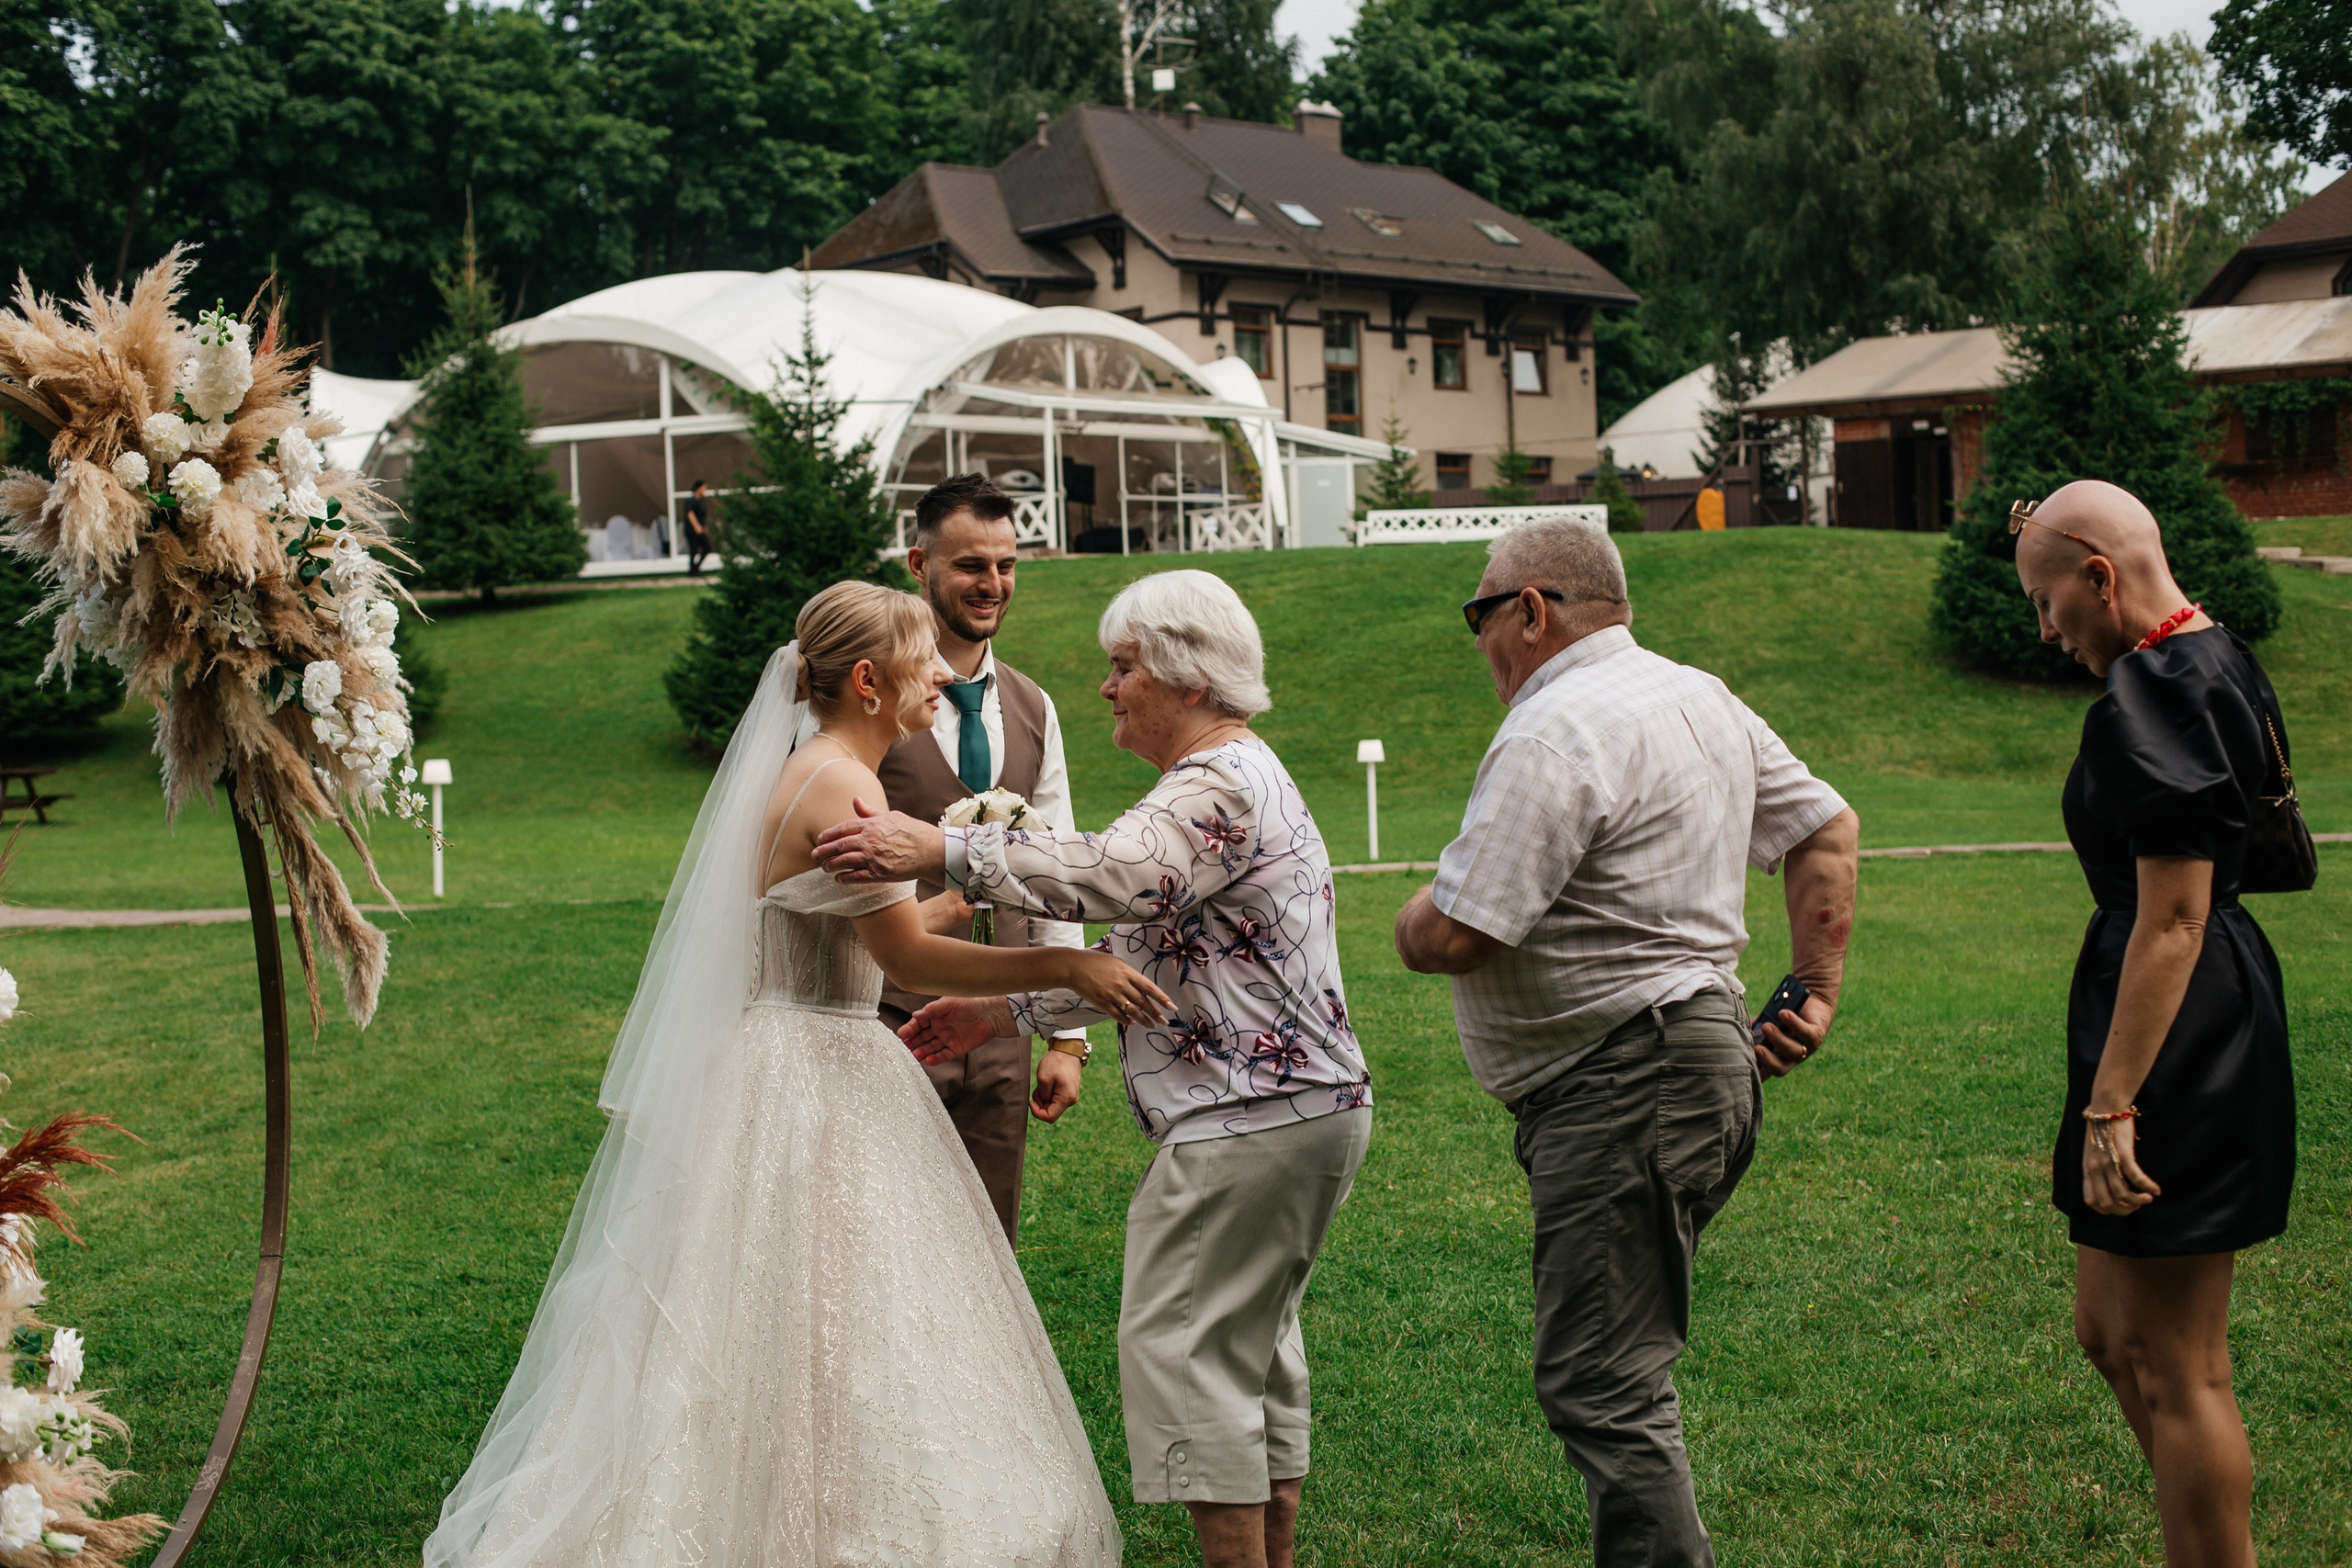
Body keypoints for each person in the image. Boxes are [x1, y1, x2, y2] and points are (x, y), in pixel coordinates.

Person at [423, 581, 1170, 1567]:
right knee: (830, 1305)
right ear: (867, 682)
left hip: (798, 1050)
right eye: (920, 664)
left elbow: (851, 931)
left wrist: (958, 890)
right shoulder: (841, 786)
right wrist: (1064, 965)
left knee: (792, 1310)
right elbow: (906, 963)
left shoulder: (809, 769)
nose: (941, 677)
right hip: (818, 1060)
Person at [815, 570, 1374, 1568]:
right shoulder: (1236, 774)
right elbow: (1158, 967)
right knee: (1254, 1355)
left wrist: (941, 846)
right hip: (1300, 1111)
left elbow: (1117, 876)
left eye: (1122, 670)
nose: (1106, 690)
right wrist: (1004, 1010)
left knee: (1190, 1356)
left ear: (1187, 679)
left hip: (1247, 1119)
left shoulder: (1218, 782)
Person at [1391, 517, 1859, 1568]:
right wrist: (1815, 990)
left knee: (1603, 1379)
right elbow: (1824, 827)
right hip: (1685, 1064)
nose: (1480, 644)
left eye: (1479, 615)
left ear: (1531, 609)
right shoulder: (1696, 694)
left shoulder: (1555, 726)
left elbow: (1460, 932)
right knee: (1623, 1365)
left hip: (1626, 1082)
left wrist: (1410, 915)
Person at [2012, 479, 2294, 1568]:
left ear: (2099, 576)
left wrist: (2113, 1102)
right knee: (2107, 1332)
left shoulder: (2153, 696)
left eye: (2048, 603)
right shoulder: (2207, 656)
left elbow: (2173, 917)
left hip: (2178, 1020)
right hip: (2175, 998)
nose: (2045, 631)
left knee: (2180, 1366)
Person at [879, 472, 1093, 1247]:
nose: (992, 583)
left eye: (1006, 564)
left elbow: (1061, 875)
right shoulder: (867, 697)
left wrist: (1067, 1039)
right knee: (886, 1247)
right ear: (918, 564)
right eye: (971, 564)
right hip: (888, 1022)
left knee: (989, 1249)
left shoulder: (1036, 706)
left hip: (1002, 1033)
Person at [681, 479, 714, 576]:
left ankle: (696, 567)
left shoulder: (702, 502)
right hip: (692, 530)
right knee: (693, 549)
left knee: (707, 547)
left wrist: (705, 527)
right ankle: (692, 570)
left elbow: (703, 517)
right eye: (703, 488)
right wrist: (696, 526)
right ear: (697, 489)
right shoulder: (691, 501)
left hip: (701, 528)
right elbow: (690, 514)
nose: (705, 490)